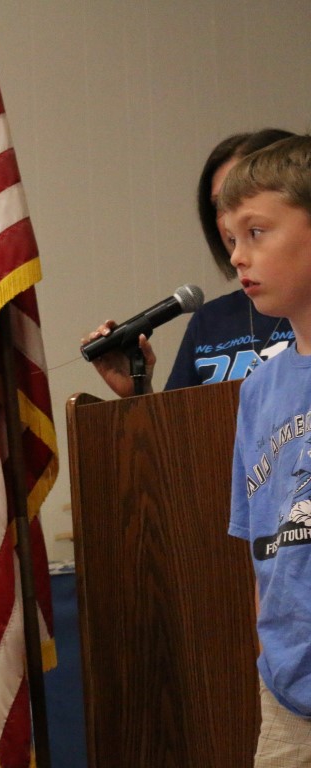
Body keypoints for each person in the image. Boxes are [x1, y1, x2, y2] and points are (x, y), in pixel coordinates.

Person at [87, 129, 295, 396]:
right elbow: (181, 422)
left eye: (241, 199)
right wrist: (139, 391)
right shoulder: (210, 320)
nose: (229, 218)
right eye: (219, 204)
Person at [224, 135, 311, 765]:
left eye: (256, 232)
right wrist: (271, 655)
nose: (237, 256)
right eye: (232, 238)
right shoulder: (258, 390)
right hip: (286, 693)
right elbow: (263, 546)